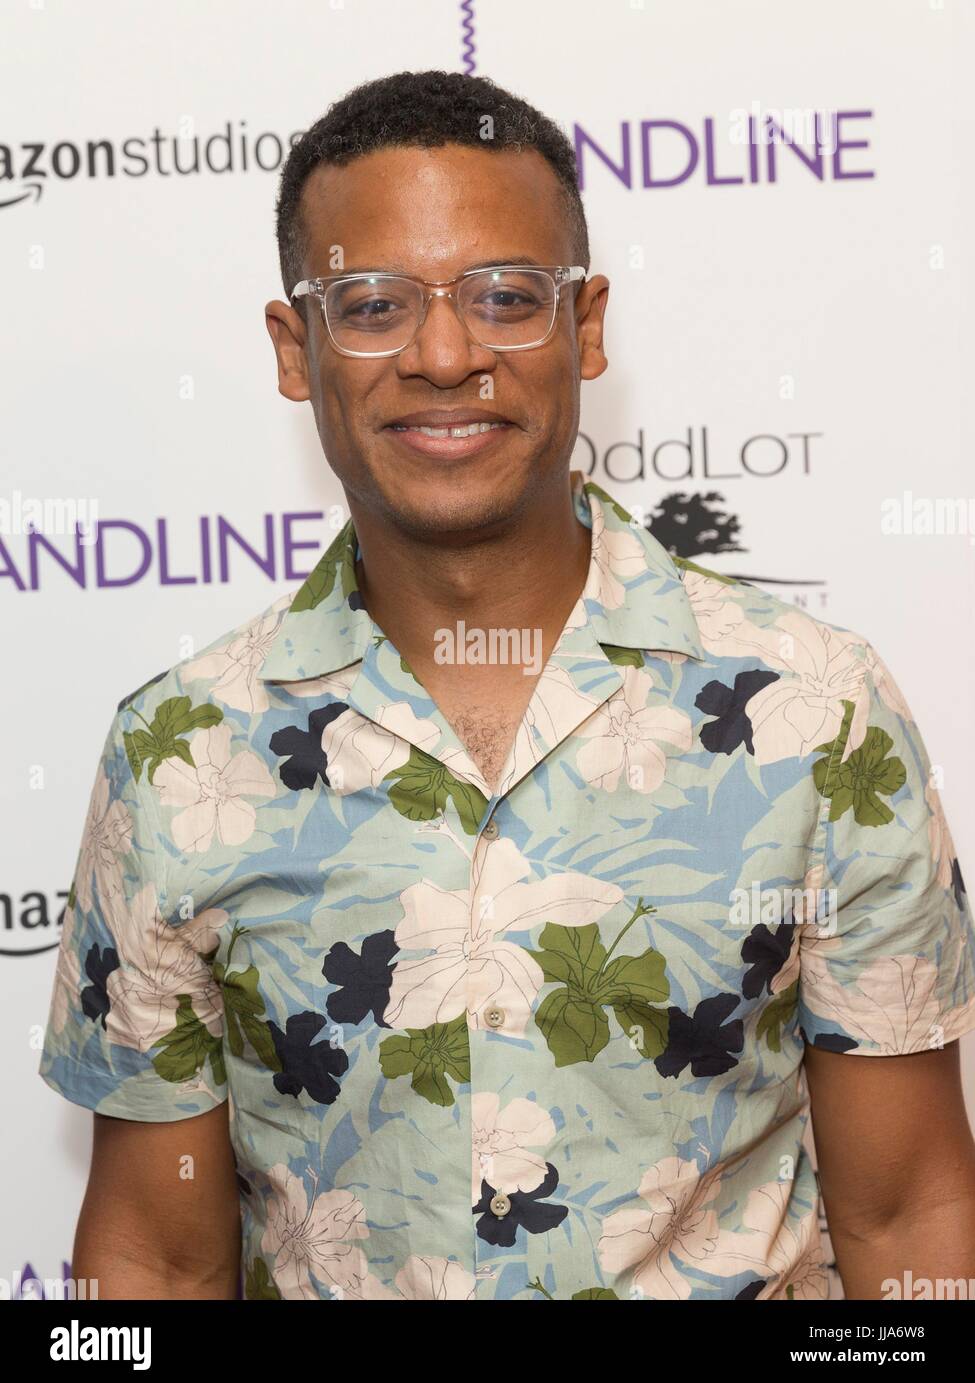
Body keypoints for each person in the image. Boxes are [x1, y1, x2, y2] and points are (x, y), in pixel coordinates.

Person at [40, 69, 975, 1302]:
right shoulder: (181, 754)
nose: (444, 355)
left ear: (586, 327)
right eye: (371, 305)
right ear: (295, 345)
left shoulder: (816, 713)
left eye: (504, 298)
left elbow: (909, 1213)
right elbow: (153, 1263)